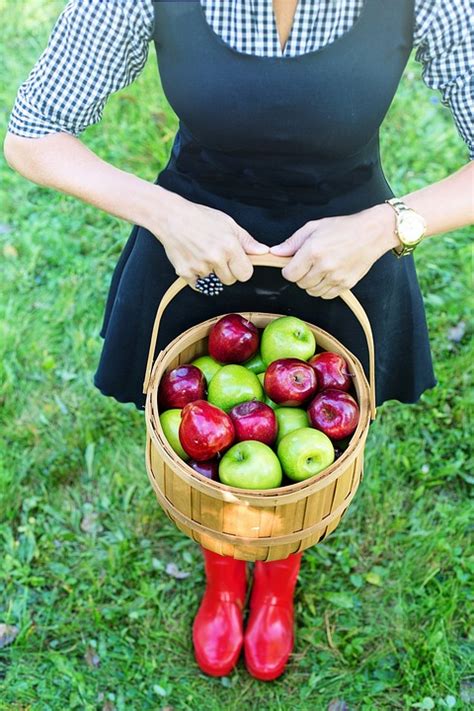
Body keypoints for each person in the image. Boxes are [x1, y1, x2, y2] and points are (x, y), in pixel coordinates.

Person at [4, 0, 473, 682]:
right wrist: (165, 214)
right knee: (205, 438)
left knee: (315, 443)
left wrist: (387, 226)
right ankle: (224, 571)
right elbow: (31, 133)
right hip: (195, 248)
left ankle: (280, 566)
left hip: (342, 255)